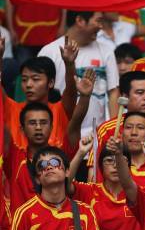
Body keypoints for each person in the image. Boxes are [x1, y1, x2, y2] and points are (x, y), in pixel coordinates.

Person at [4, 70, 94, 212]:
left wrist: (84, 96)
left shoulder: (61, 154)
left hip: (57, 227)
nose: (39, 127)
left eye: (43, 122)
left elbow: (75, 123)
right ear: (22, 129)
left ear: (51, 127)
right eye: (33, 123)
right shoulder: (15, 157)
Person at [38, 11, 120, 135]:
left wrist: (114, 131)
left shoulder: (106, 51)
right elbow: (41, 93)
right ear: (80, 21)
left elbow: (113, 92)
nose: (101, 26)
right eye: (98, 21)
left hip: (96, 134)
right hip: (59, 132)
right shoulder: (50, 52)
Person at [1, 37, 79, 150]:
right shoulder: (11, 109)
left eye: (35, 79)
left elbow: (71, 93)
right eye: (24, 79)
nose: (28, 84)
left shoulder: (60, 110)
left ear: (51, 82)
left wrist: (69, 64)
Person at [5, 0, 65, 64]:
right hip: (23, 34)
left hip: (51, 32)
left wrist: (62, 26)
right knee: (25, 70)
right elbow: (10, 0)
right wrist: (11, 29)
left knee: (49, 70)